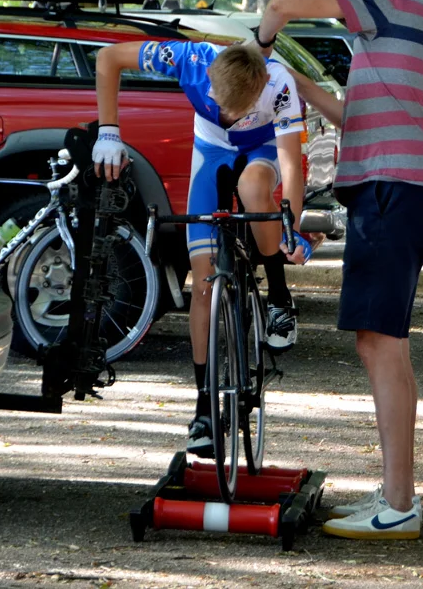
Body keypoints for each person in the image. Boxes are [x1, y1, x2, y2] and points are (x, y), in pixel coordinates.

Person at [255, 0, 423, 541]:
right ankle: (397, 493)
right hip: (408, 190)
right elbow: (352, 115)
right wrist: (291, 79)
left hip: (390, 190)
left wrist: (257, 48)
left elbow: (282, 7)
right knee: (387, 342)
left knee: (378, 344)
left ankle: (399, 506)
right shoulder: (421, 26)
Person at [90, 40, 310, 457]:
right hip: (209, 150)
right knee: (204, 283)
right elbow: (108, 57)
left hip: (260, 151)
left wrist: (291, 231)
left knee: (255, 196)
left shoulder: (278, 84)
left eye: (235, 111)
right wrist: (108, 130)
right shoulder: (190, 60)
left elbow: (291, 167)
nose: (226, 116)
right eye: (219, 104)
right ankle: (204, 408)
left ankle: (278, 296)